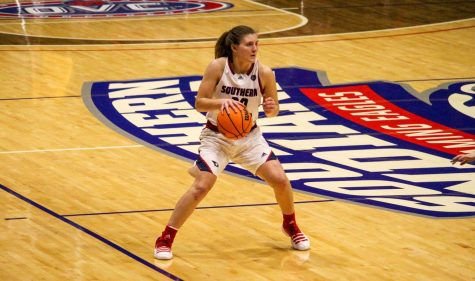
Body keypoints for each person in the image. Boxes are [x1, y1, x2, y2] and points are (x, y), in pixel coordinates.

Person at [154, 25, 310, 260]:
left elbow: (273, 110)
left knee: (280, 180)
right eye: (249, 44)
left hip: (249, 138)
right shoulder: (218, 67)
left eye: (257, 44)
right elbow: (199, 103)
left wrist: (271, 108)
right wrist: (221, 103)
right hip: (217, 137)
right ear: (235, 47)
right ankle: (166, 237)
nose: (255, 48)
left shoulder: (265, 73)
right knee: (201, 187)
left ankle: (290, 225)